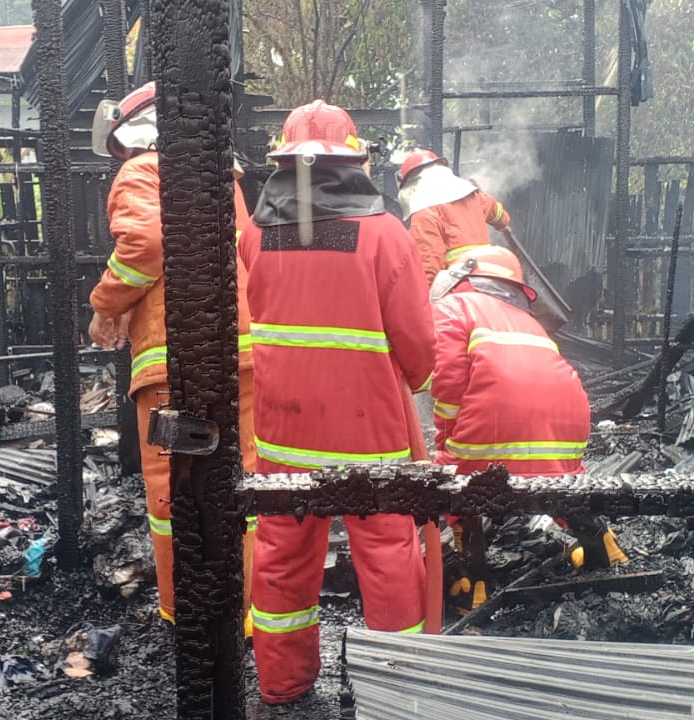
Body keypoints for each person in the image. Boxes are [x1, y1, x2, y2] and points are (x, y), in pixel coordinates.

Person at [239, 100, 436, 705]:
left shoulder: (255, 236)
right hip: (369, 433)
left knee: (281, 554)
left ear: (283, 163)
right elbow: (418, 345)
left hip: (282, 433)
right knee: (387, 553)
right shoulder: (385, 234)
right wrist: (413, 383)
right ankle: (398, 690)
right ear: (354, 162)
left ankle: (282, 686)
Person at [85, 82, 258, 628]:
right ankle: (244, 613)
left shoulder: (142, 171)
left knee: (172, 490)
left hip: (175, 365)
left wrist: (105, 305)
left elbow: (147, 244)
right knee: (239, 481)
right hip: (242, 356)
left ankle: (186, 616)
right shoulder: (224, 180)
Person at [427, 245, 626, 611]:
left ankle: (472, 585)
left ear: (463, 276)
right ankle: (605, 550)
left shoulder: (454, 307)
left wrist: (447, 447)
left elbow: (449, 383)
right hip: (567, 424)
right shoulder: (528, 320)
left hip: (495, 422)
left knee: (462, 487)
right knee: (558, 484)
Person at [397, 148, 512, 283]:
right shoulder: (473, 196)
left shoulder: (424, 214)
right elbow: (496, 211)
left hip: (457, 287)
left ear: (410, 184)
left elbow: (429, 266)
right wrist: (503, 223)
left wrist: (427, 293)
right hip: (487, 278)